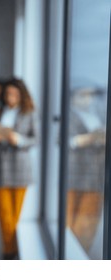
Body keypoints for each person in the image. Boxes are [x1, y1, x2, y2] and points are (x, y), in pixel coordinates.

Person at [0, 78, 37, 260]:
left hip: (20, 167)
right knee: (4, 216)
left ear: (21, 95)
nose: (11, 97)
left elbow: (35, 139)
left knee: (15, 217)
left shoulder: (29, 112)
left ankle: (11, 252)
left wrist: (19, 139)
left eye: (15, 94)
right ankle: (9, 253)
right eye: (8, 93)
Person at [66, 87, 105, 253]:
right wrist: (90, 138)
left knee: (89, 219)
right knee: (70, 218)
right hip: (75, 173)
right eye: (83, 95)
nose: (87, 99)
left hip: (96, 174)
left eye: (89, 95)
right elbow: (66, 141)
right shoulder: (69, 116)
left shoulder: (97, 115)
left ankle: (81, 253)